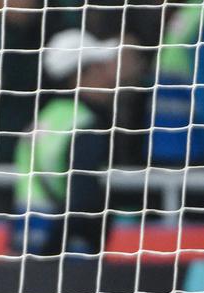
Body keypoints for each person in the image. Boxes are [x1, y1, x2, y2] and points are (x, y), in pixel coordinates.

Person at [11, 29, 136, 255]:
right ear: (79, 76)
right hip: (67, 254)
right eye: (99, 67)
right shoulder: (84, 123)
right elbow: (83, 203)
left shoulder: (44, 118)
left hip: (25, 238)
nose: (109, 77)